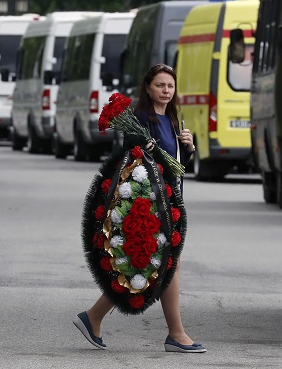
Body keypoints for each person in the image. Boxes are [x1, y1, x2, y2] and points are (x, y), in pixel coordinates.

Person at [73, 63, 205, 353]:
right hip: (150, 204)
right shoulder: (141, 119)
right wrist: (143, 147)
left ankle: (93, 316)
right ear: (148, 88)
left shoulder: (171, 119)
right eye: (160, 85)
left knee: (154, 265)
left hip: (171, 203)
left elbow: (178, 169)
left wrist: (189, 148)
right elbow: (130, 160)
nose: (166, 91)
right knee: (160, 264)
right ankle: (176, 334)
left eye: (170, 86)